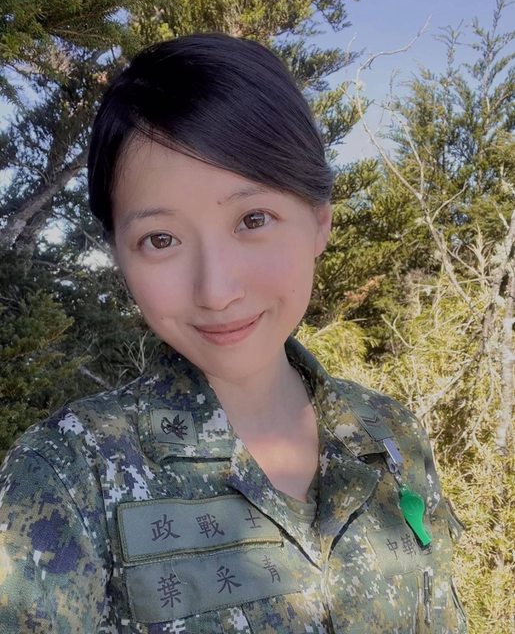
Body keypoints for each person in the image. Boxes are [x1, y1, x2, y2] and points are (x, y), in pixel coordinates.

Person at [0, 33, 467, 633]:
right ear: (120, 255)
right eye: (160, 239)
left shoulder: (391, 435)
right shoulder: (66, 477)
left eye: (252, 219)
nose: (216, 291)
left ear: (319, 221)